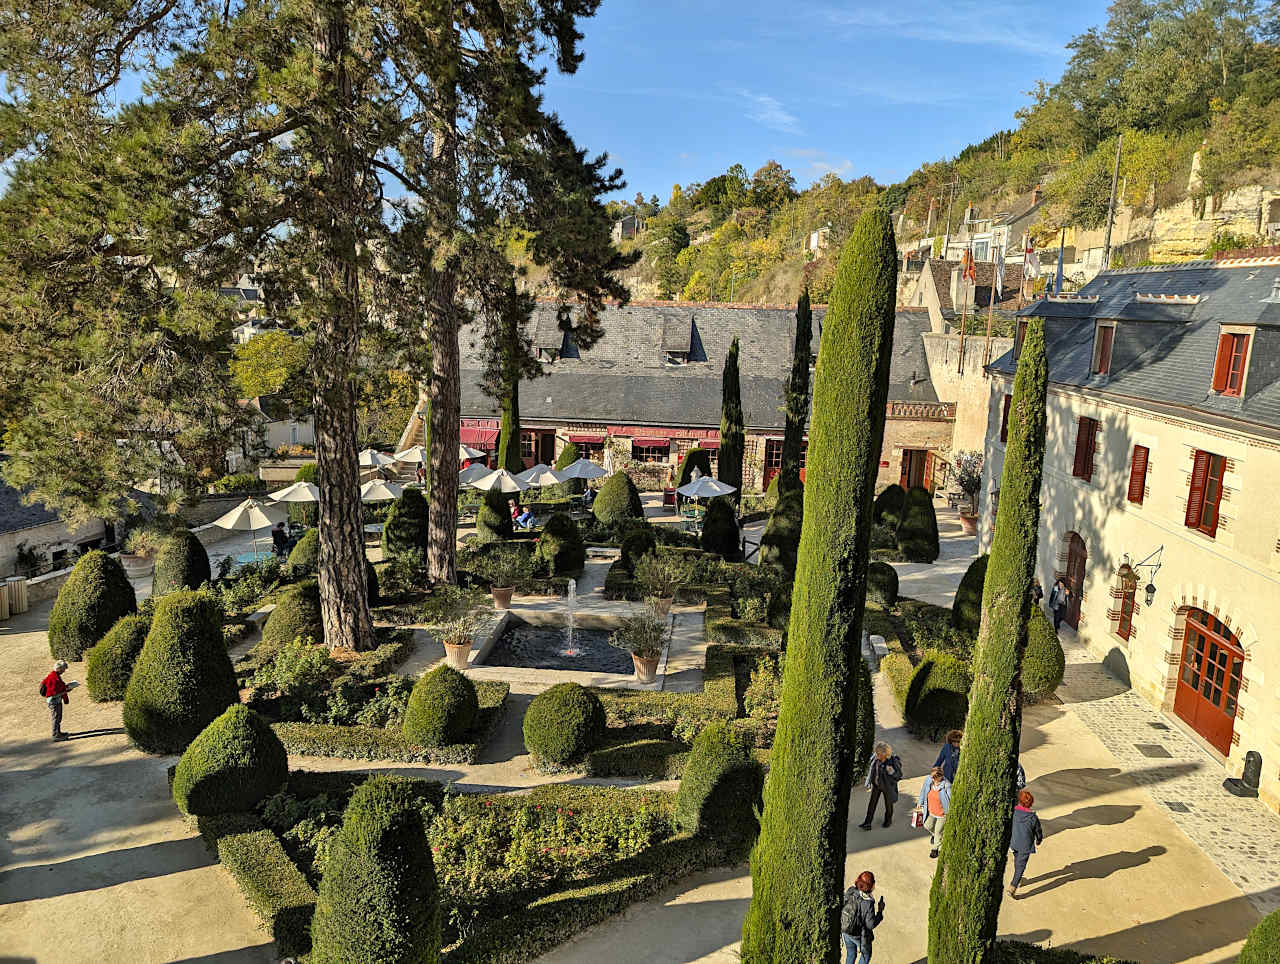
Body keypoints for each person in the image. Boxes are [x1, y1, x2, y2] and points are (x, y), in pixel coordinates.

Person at [840, 870, 884, 963]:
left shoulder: (851, 890)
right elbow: (870, 924)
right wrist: (880, 912)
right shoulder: (868, 903)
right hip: (859, 935)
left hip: (846, 930)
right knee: (866, 955)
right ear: (871, 886)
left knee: (851, 953)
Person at [1008, 789, 1044, 899]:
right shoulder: (1033, 817)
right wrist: (1039, 840)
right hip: (1025, 846)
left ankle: (1018, 879)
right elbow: (1038, 831)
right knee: (1021, 866)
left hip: (1014, 843)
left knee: (1017, 861)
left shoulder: (1014, 812)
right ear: (1031, 803)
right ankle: (1012, 887)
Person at [859, 742, 903, 830]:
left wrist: (891, 772)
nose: (876, 755)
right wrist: (869, 782)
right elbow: (872, 770)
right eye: (876, 753)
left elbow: (899, 775)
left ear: (884, 754)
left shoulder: (892, 761)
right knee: (872, 804)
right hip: (876, 785)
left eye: (878, 753)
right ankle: (867, 823)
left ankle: (888, 820)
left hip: (887, 786)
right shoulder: (876, 759)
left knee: (888, 804)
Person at [915, 766, 952, 858]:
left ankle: (935, 849)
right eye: (932, 777)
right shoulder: (929, 780)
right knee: (927, 825)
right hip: (931, 811)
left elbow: (951, 800)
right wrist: (920, 802)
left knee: (938, 831)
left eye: (934, 778)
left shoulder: (947, 785)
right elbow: (923, 791)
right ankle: (937, 837)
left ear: (940, 777)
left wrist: (950, 812)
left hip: (942, 814)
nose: (932, 779)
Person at [40, 660, 71, 742]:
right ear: (59, 669)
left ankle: (58, 732)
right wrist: (65, 691)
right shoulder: (53, 678)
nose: (64, 671)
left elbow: (57, 688)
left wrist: (65, 688)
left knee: (58, 717)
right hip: (54, 701)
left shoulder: (55, 676)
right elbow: (51, 694)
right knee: (56, 718)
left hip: (56, 701)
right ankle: (55, 735)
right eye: (63, 669)